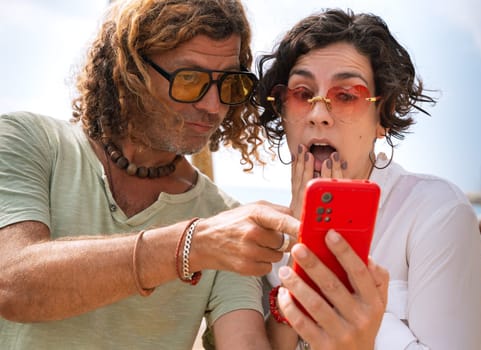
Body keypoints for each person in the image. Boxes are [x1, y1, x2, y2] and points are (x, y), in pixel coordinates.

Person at [0, 1, 301, 349]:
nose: (213, 106)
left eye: (229, 83)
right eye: (190, 80)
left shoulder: (223, 218)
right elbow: (11, 284)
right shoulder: (28, 141)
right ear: (131, 72)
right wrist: (193, 246)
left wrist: (299, 292)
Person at [256, 8, 481, 350]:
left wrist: (369, 328)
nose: (319, 114)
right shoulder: (263, 238)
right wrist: (298, 260)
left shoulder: (436, 212)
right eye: (303, 94)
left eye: (347, 95)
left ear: (382, 118)